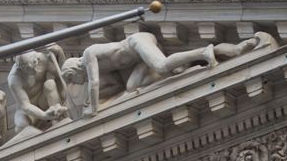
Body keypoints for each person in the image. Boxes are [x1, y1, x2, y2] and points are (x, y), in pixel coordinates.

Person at [60, 32, 217, 114]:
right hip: (140, 57)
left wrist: (94, 109)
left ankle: (203, 52)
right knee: (131, 86)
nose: (75, 83)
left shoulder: (88, 55)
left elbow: (94, 83)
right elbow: (113, 86)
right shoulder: (102, 69)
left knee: (162, 66)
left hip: (137, 42)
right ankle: (186, 70)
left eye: (71, 78)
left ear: (74, 68)